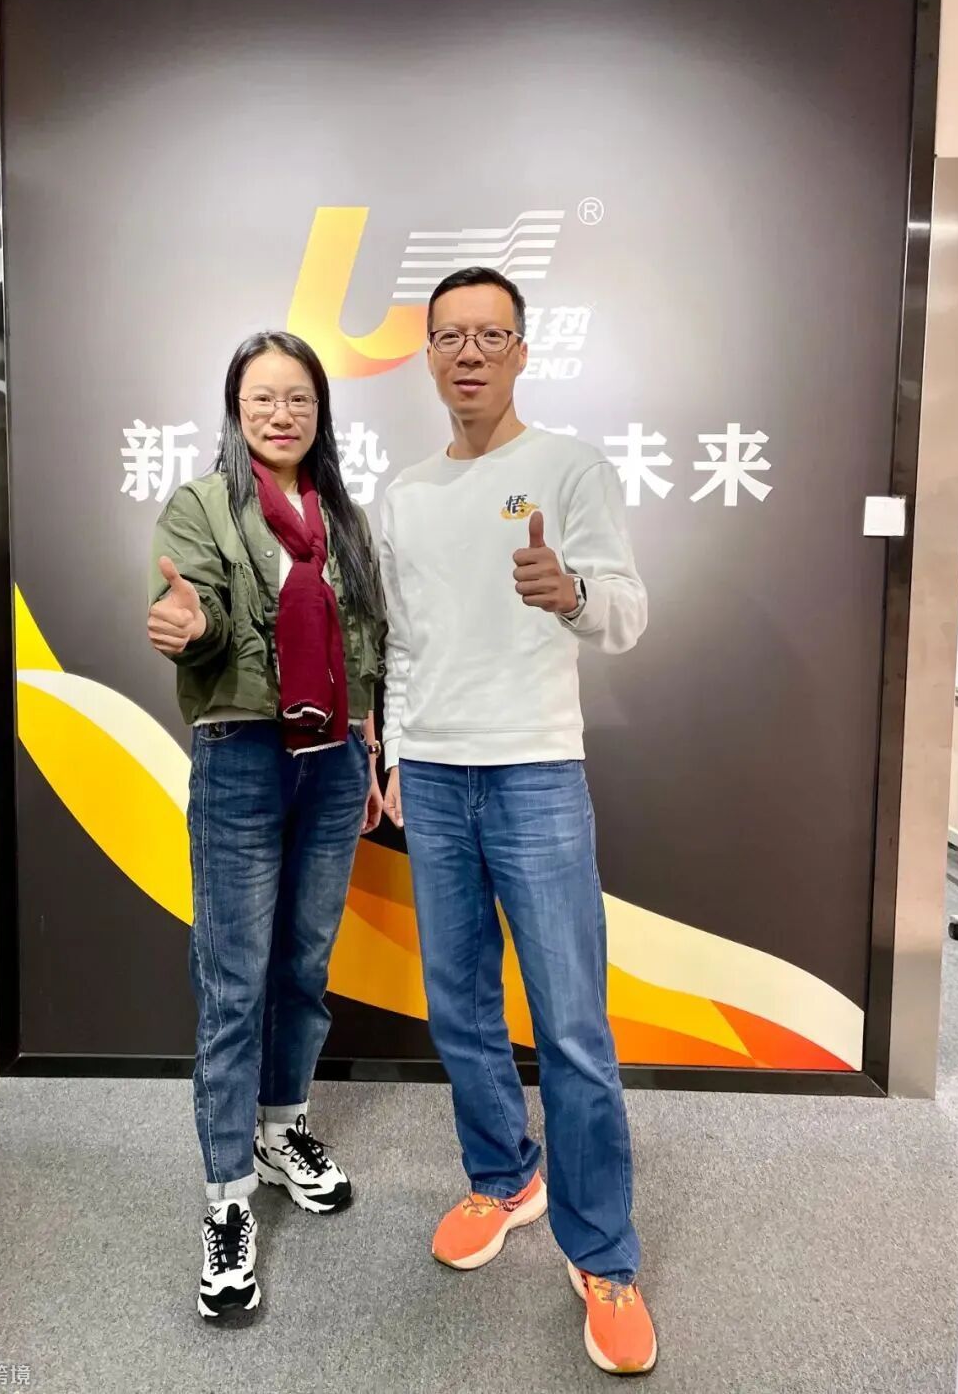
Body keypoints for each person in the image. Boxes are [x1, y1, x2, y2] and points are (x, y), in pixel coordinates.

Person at [379, 269, 656, 1375]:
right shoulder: (404, 493)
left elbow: (627, 613)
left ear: (523, 350)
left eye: (491, 334)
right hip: (436, 776)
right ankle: (504, 1176)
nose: (470, 352)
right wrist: (395, 753)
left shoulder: (571, 467)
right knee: (460, 1006)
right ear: (428, 354)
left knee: (573, 1025)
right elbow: (402, 643)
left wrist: (570, 592)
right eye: (451, 335)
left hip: (536, 771)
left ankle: (605, 1254)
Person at [147, 331, 386, 1321]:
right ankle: (227, 1200)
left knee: (304, 965)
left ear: (320, 412)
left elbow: (364, 640)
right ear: (236, 408)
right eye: (262, 397)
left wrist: (368, 743)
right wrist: (191, 626)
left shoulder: (344, 517)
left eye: (299, 398)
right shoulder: (202, 504)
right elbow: (197, 608)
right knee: (234, 980)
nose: (281, 413)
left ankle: (281, 1129)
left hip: (332, 762)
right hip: (242, 754)